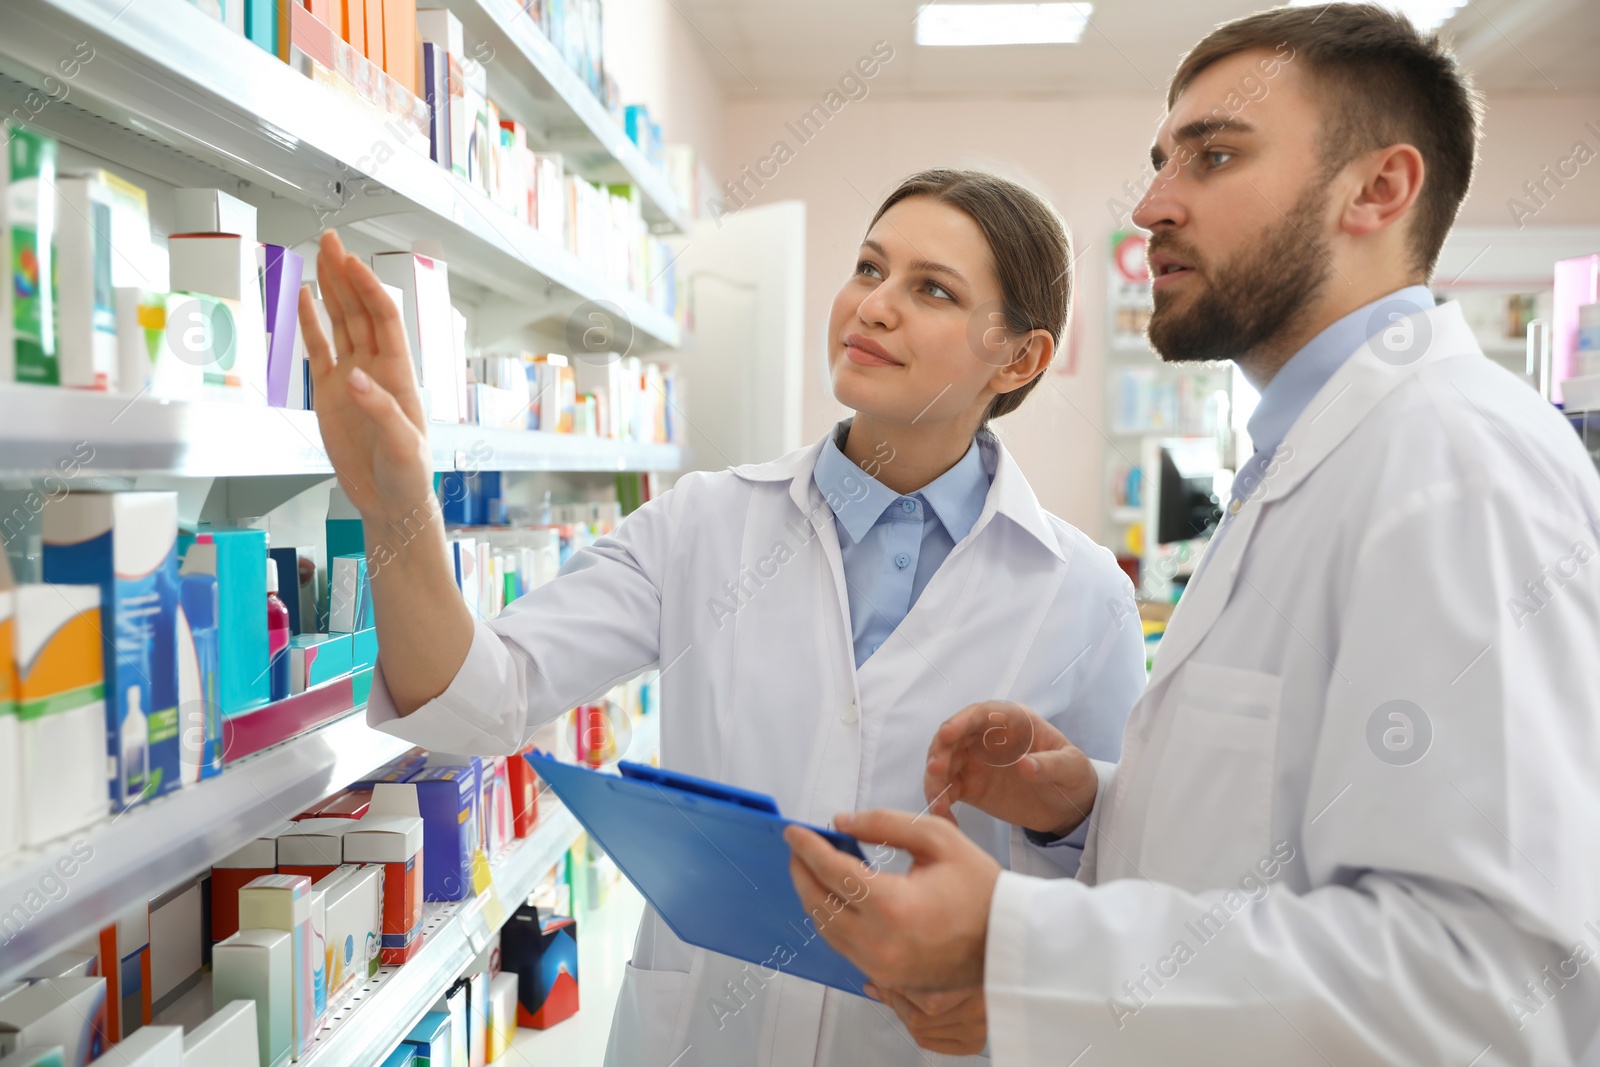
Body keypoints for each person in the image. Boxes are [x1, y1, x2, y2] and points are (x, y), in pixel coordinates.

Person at [785, 6, 1600, 1064]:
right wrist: (1091, 799)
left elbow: (1489, 984)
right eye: (1160, 159)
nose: (1152, 204)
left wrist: (1021, 950)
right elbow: (1289, 833)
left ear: (1378, 190)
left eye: (1212, 155)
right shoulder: (1310, 452)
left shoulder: (1457, 462)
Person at [297, 168, 1146, 1065]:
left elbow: (1121, 876)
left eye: (931, 288)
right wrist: (398, 510)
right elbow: (479, 703)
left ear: (1019, 359)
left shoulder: (1084, 593)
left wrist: (1062, 819)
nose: (874, 305)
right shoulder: (702, 523)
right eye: (868, 267)